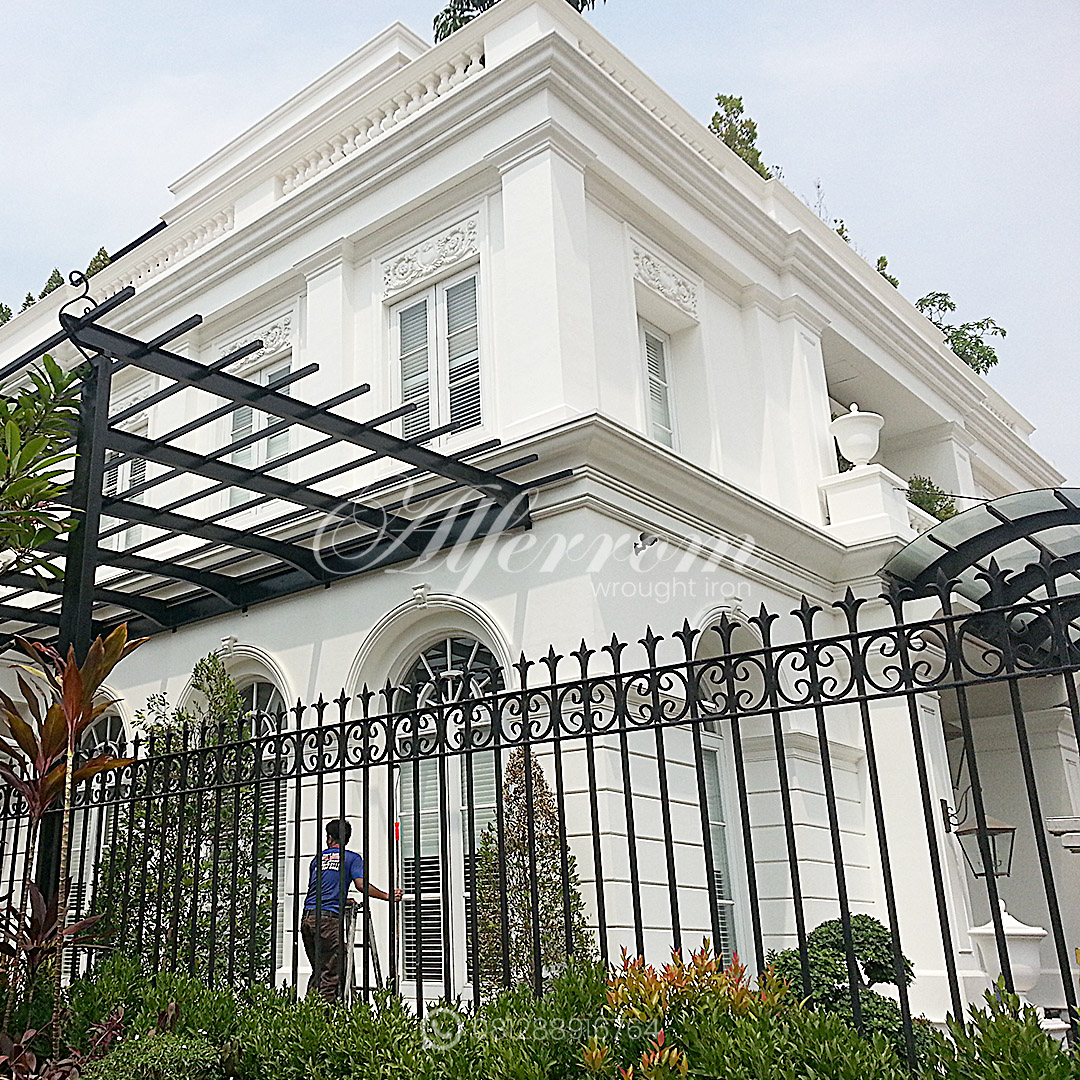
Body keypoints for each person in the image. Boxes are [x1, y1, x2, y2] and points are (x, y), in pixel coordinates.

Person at [301, 819, 400, 1003]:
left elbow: (318, 889)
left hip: (308, 918)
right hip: (328, 922)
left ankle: (307, 1017)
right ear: (347, 839)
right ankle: (325, 1021)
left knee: (319, 969)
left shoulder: (317, 859)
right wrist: (387, 896)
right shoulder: (351, 858)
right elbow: (360, 884)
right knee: (331, 974)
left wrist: (341, 898)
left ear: (329, 838)